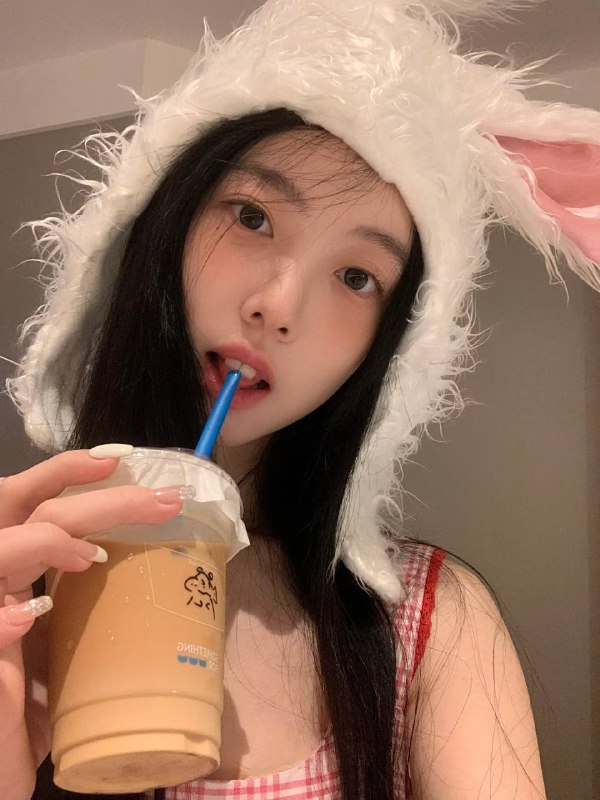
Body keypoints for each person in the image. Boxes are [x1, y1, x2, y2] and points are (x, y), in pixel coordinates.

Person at [2, 1, 599, 798]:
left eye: (357, 276)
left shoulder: (425, 626)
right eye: (253, 217)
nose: (279, 307)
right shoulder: (18, 598)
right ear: (165, 223)